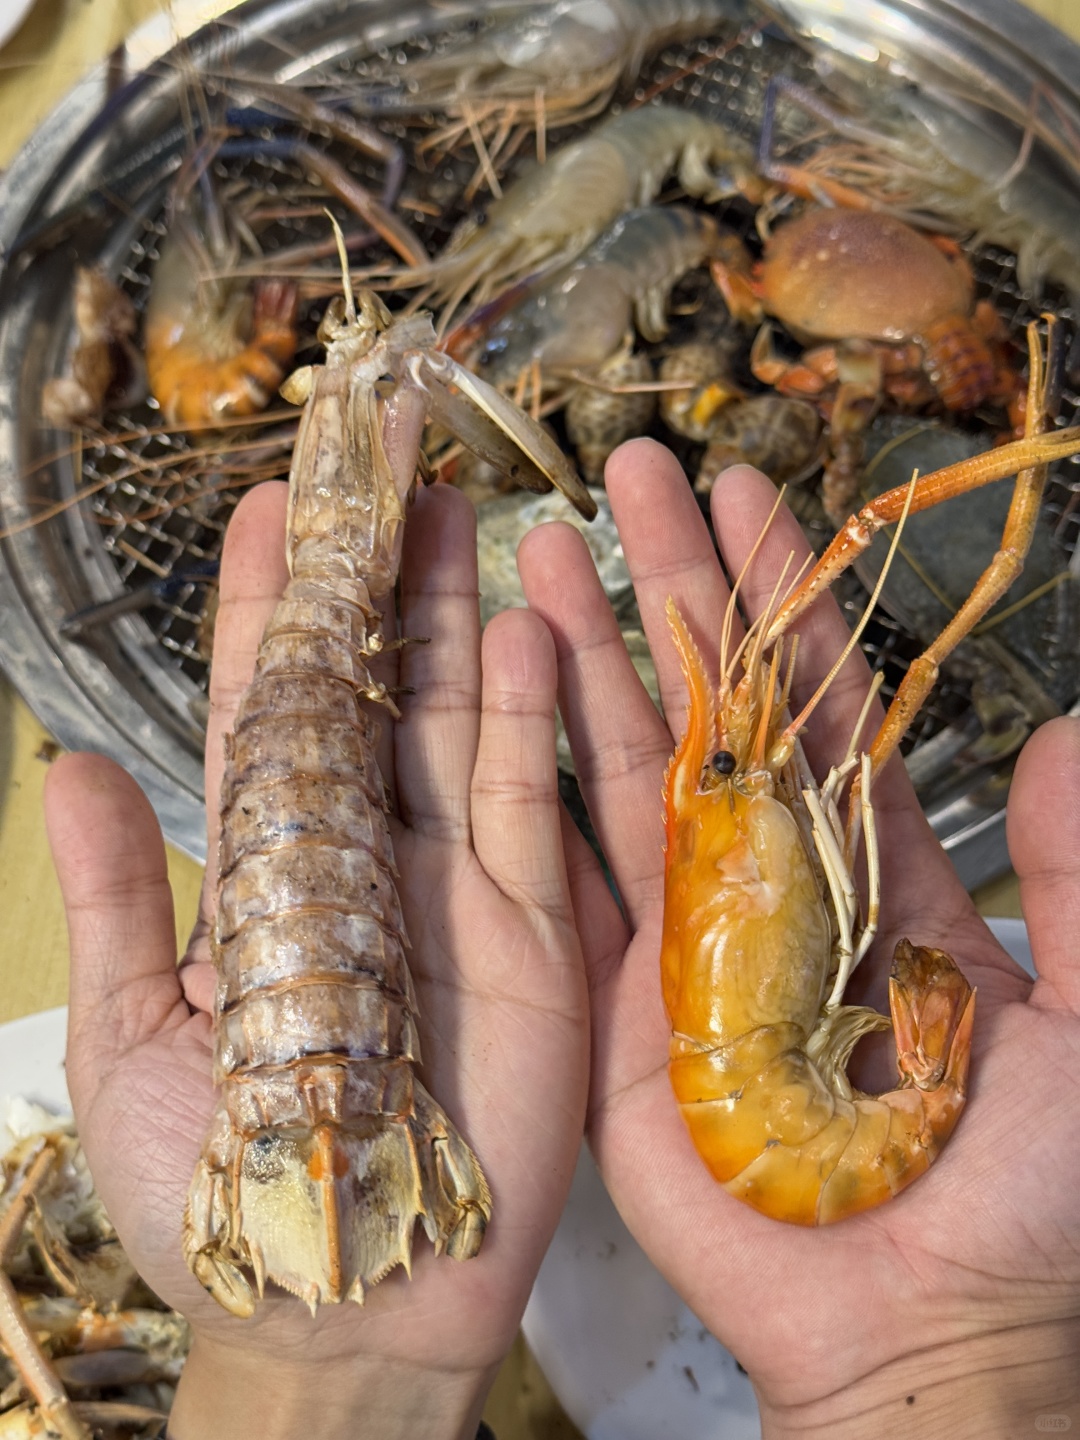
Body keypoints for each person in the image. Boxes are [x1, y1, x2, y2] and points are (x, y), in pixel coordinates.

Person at [43, 441, 1080, 1439]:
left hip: (789, 1110)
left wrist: (314, 1378)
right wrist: (974, 1356)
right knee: (848, 732)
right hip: (791, 1110)